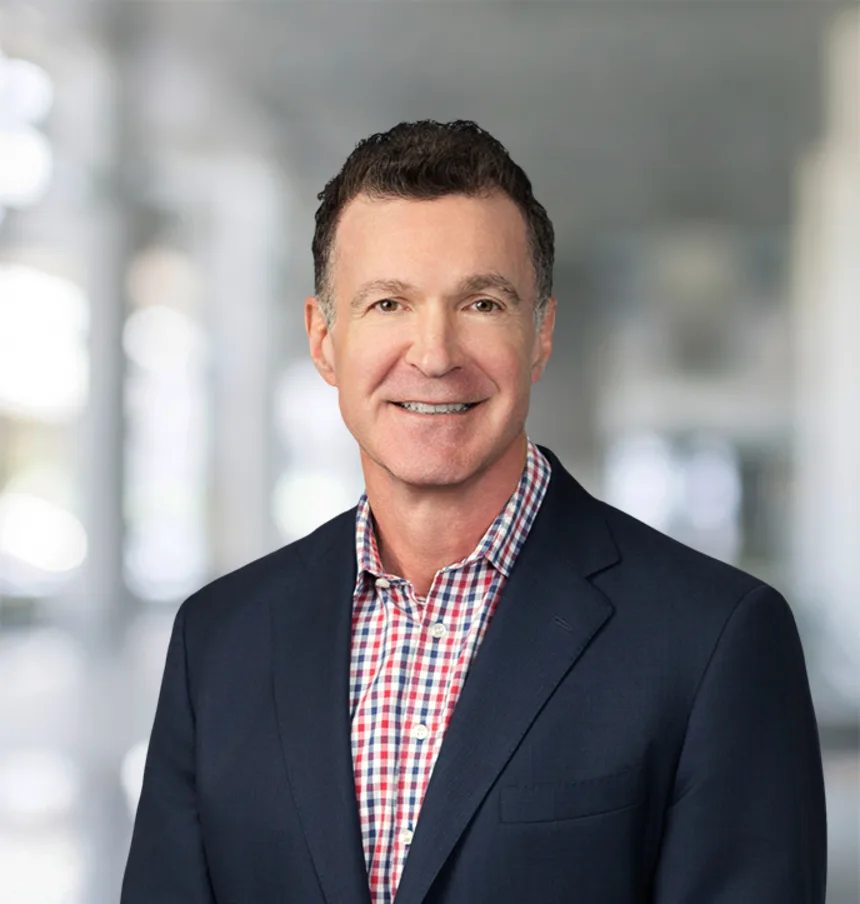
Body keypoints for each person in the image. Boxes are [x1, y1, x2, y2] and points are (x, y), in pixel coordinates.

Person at [121, 120, 827, 904]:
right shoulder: (219, 641)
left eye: (482, 303)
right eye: (389, 303)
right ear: (324, 339)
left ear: (541, 334)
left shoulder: (713, 642)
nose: (434, 354)